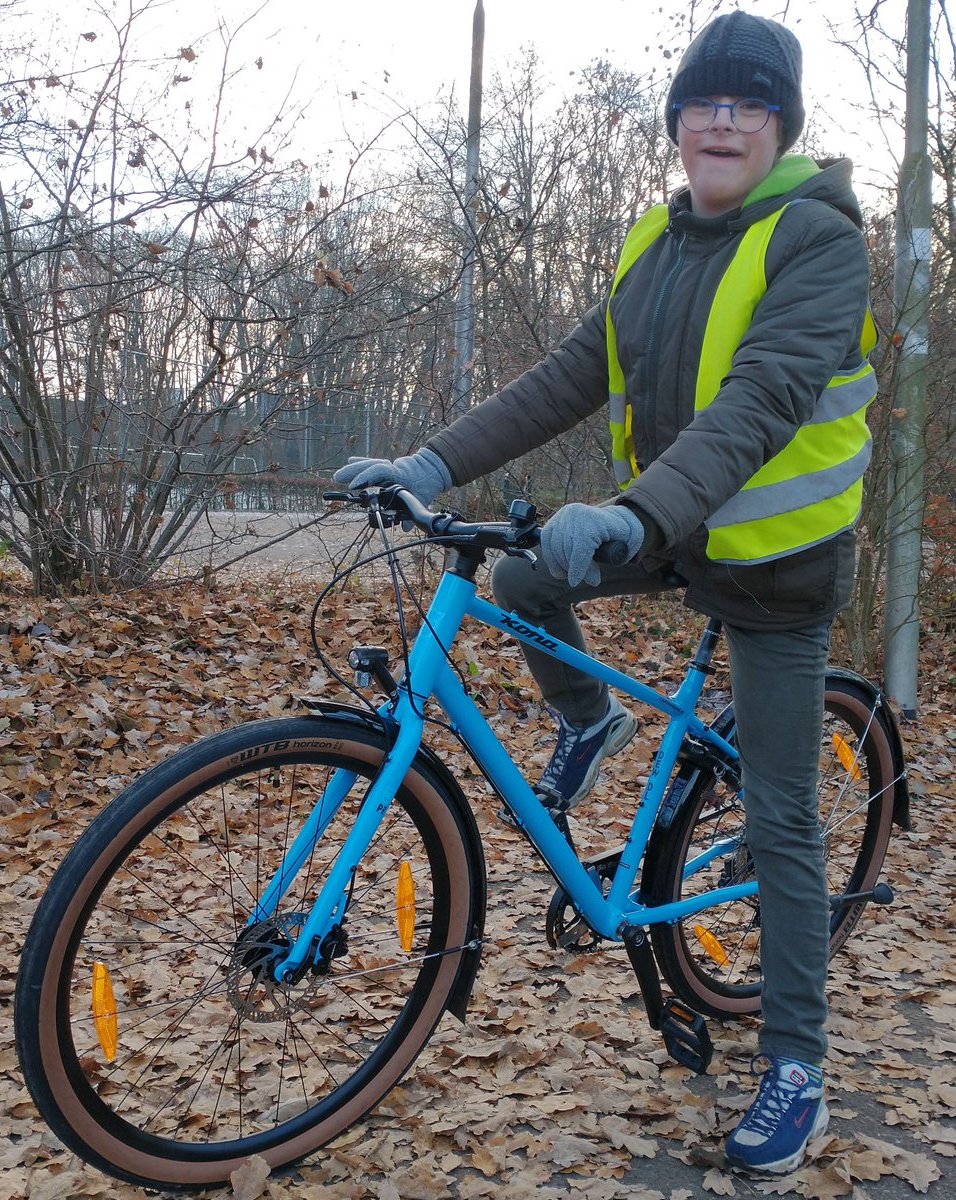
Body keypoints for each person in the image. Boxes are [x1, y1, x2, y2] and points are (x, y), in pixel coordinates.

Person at [334, 10, 875, 1177]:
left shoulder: (818, 241)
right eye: (703, 101)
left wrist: (633, 515)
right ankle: (593, 719)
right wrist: (430, 463)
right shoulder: (655, 241)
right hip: (678, 529)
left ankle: (796, 1066)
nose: (723, 118)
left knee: (782, 815)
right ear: (677, 123)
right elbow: (569, 374)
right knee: (524, 575)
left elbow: (764, 398)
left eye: (749, 103)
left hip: (776, 566)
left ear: (779, 126)